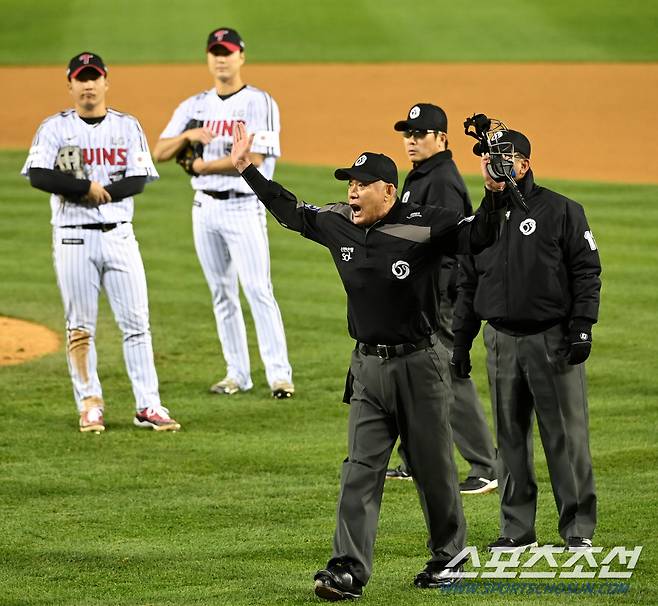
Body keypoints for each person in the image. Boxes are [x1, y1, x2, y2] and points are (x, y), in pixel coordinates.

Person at [230, 121, 504, 600]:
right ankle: (347, 569)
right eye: (349, 185)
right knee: (359, 468)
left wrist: (497, 189)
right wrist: (249, 170)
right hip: (367, 369)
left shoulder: (423, 222)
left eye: (360, 186)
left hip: (421, 366)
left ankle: (450, 557)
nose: (351, 193)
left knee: (434, 469)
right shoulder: (338, 222)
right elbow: (290, 210)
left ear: (388, 191)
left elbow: (479, 234)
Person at [452, 130, 601, 552]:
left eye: (500, 157)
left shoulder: (561, 211)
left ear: (523, 164)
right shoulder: (481, 223)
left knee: (565, 439)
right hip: (500, 341)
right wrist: (461, 343)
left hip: (551, 341)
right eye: (484, 157)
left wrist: (582, 326)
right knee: (510, 440)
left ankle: (577, 530)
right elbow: (467, 285)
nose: (490, 164)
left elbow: (587, 271)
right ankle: (516, 529)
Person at [21, 52, 180, 433]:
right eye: (81, 78)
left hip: (120, 236)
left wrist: (100, 192)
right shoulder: (54, 128)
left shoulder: (127, 126)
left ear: (106, 82)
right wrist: (83, 188)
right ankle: (89, 404)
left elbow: (138, 179)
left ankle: (149, 405)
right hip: (73, 238)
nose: (88, 84)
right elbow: (38, 176)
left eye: (94, 77)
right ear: (71, 85)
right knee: (80, 326)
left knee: (137, 324)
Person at [152, 27, 294, 399]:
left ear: (241, 57)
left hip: (244, 208)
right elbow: (159, 151)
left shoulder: (259, 102)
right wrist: (187, 137)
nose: (221, 58)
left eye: (228, 52)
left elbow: (255, 160)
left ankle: (280, 376)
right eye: (215, 51)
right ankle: (237, 374)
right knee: (221, 293)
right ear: (208, 58)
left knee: (257, 289)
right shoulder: (194, 105)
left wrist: (203, 167)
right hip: (205, 210)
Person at [385, 103, 497, 494]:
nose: (411, 141)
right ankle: (413, 460)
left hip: (441, 296)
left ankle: (485, 465)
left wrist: (437, 294)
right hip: (421, 293)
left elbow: (452, 243)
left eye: (420, 134)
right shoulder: (421, 176)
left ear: (442, 138)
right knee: (417, 374)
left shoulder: (442, 181)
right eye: (407, 134)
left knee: (450, 374)